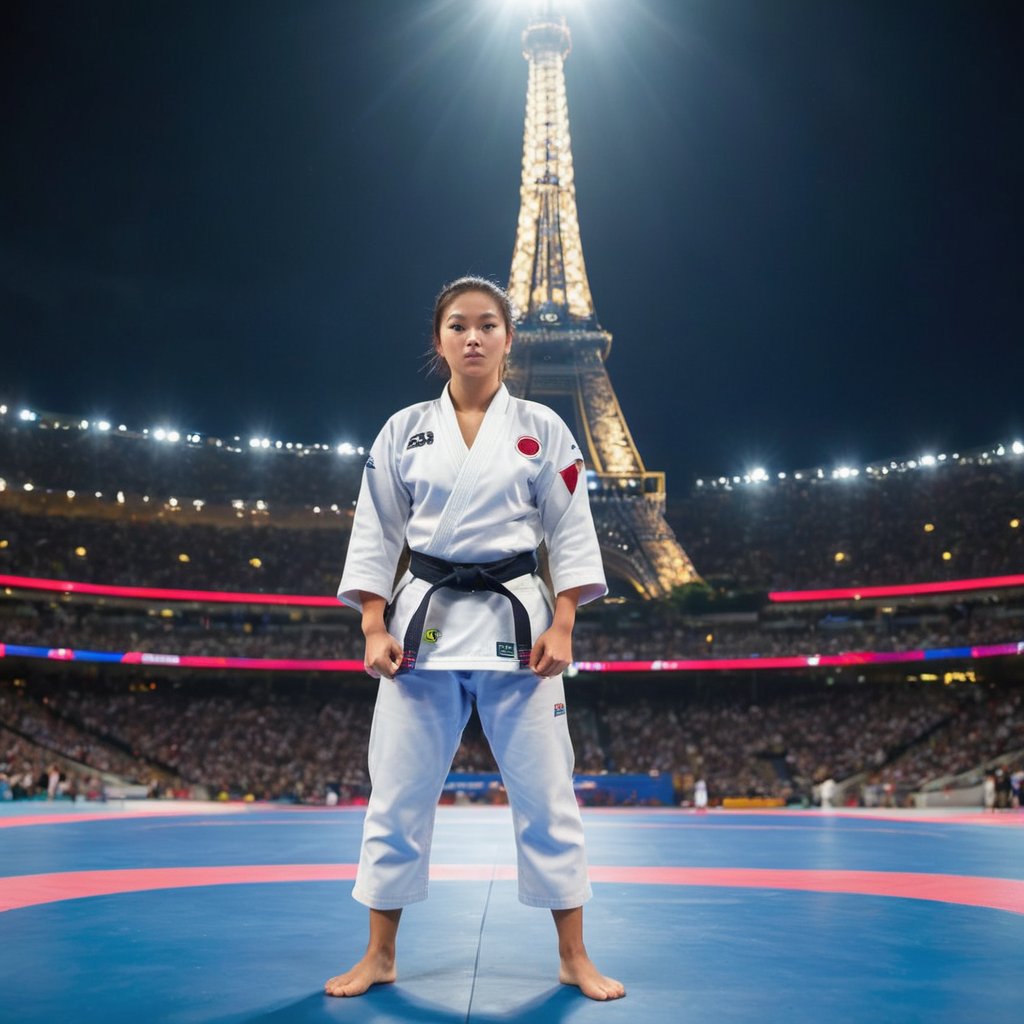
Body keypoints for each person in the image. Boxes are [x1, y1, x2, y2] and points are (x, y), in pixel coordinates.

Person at [325, 276, 624, 1002]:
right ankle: (380, 954)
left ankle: (574, 956)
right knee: (396, 796)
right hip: (419, 633)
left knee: (549, 796)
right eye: (458, 325)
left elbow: (571, 531)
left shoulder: (544, 428)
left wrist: (564, 621)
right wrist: (371, 624)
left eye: (487, 325)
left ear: (507, 338)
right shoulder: (402, 430)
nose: (473, 337)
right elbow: (376, 533)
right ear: (439, 341)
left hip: (519, 631)